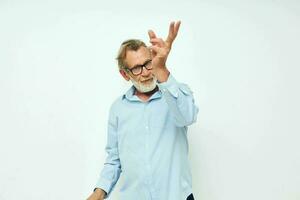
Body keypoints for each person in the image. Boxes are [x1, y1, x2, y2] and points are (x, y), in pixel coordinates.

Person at [87, 21, 198, 200]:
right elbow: (114, 159)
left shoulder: (175, 93)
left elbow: (188, 116)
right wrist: (99, 192)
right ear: (125, 74)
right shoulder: (118, 109)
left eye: (148, 63)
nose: (146, 72)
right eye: (137, 68)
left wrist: (161, 69)